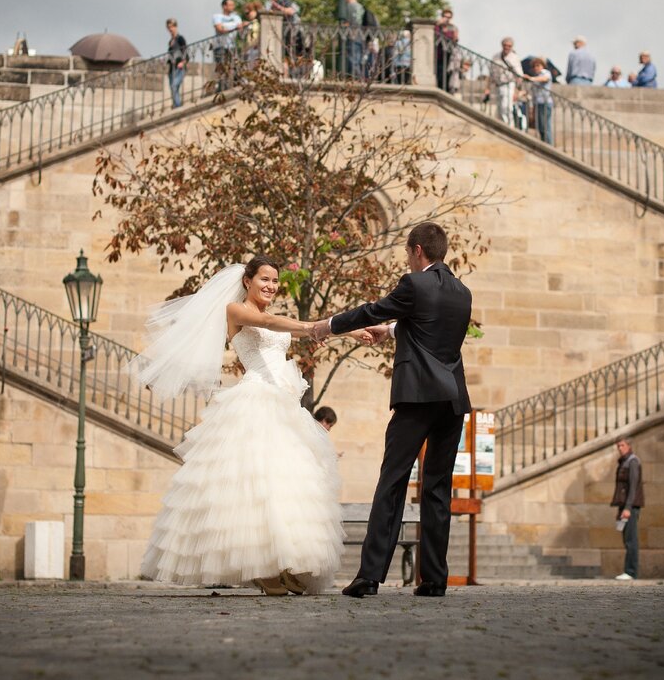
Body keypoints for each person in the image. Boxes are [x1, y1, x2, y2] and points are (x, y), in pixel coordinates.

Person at [136, 257, 368, 595]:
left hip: (284, 404)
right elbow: (272, 323)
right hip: (255, 401)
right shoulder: (235, 311)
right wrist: (320, 326)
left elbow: (285, 329)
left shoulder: (271, 314)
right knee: (255, 487)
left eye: (276, 280)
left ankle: (284, 563)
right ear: (247, 281)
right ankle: (263, 568)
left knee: (288, 485)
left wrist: (344, 330)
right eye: (265, 279)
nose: (272, 286)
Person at [311, 222, 473, 598]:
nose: (407, 259)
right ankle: (434, 579)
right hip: (453, 400)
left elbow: (372, 311)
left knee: (393, 483)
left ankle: (369, 576)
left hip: (417, 397)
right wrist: (395, 331)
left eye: (407, 253)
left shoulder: (414, 284)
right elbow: (432, 328)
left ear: (418, 251)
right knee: (437, 488)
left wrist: (329, 325)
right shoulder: (463, 293)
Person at [611, 437, 644, 580]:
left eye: (622, 445)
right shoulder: (624, 462)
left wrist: (628, 508)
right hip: (623, 506)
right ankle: (628, 571)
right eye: (618, 446)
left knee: (631, 540)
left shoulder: (633, 462)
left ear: (629, 446)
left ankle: (631, 571)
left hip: (629, 507)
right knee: (626, 539)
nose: (619, 448)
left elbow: (633, 487)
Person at [265, 0, 304, 70]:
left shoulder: (284, 1)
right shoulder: (273, 4)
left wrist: (278, 7)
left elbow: (292, 11)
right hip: (283, 32)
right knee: (284, 56)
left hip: (293, 31)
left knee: (292, 54)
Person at [488, 37, 524, 125]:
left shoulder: (514, 57)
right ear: (502, 45)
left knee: (506, 107)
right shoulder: (496, 56)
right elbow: (491, 73)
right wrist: (488, 88)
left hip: (509, 84)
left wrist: (517, 91)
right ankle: (503, 125)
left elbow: (519, 75)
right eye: (505, 45)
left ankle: (509, 126)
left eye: (509, 46)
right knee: (500, 108)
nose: (507, 47)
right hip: (498, 84)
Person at [211, 0, 243, 92]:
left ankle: (236, 85)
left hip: (232, 46)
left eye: (233, 5)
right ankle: (221, 88)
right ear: (224, 6)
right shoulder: (217, 16)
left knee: (234, 66)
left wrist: (228, 28)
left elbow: (240, 29)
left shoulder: (237, 17)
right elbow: (219, 29)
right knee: (222, 67)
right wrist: (234, 27)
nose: (232, 7)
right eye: (230, 5)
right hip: (220, 46)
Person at [524, 57, 553, 145]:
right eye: (534, 66)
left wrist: (531, 78)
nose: (536, 68)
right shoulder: (536, 77)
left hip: (545, 102)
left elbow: (545, 79)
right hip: (538, 103)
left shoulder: (545, 73)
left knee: (545, 126)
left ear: (542, 66)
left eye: (538, 65)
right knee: (540, 126)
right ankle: (545, 142)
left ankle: (548, 144)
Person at [339, 0, 366, 80]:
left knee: (352, 59)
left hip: (352, 35)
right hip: (361, 35)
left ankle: (358, 78)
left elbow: (352, 22)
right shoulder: (361, 7)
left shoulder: (350, 6)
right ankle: (359, 77)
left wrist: (344, 25)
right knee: (358, 59)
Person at [434, 9, 459, 93]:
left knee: (447, 73)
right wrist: (438, 23)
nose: (447, 19)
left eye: (449, 17)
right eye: (445, 16)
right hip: (438, 54)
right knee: (439, 74)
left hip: (449, 55)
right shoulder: (437, 26)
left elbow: (456, 40)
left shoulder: (453, 28)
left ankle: (446, 91)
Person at [165, 18, 188, 107]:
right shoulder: (170, 41)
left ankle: (178, 106)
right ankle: (176, 105)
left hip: (179, 68)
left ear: (175, 26)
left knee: (174, 87)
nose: (171, 29)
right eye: (169, 27)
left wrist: (183, 62)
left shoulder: (180, 38)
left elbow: (185, 51)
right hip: (172, 69)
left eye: (172, 26)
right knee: (173, 89)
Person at [240, 0, 262, 67]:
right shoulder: (250, 23)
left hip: (256, 47)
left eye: (248, 12)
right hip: (250, 48)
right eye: (246, 13)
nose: (247, 15)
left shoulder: (259, 22)